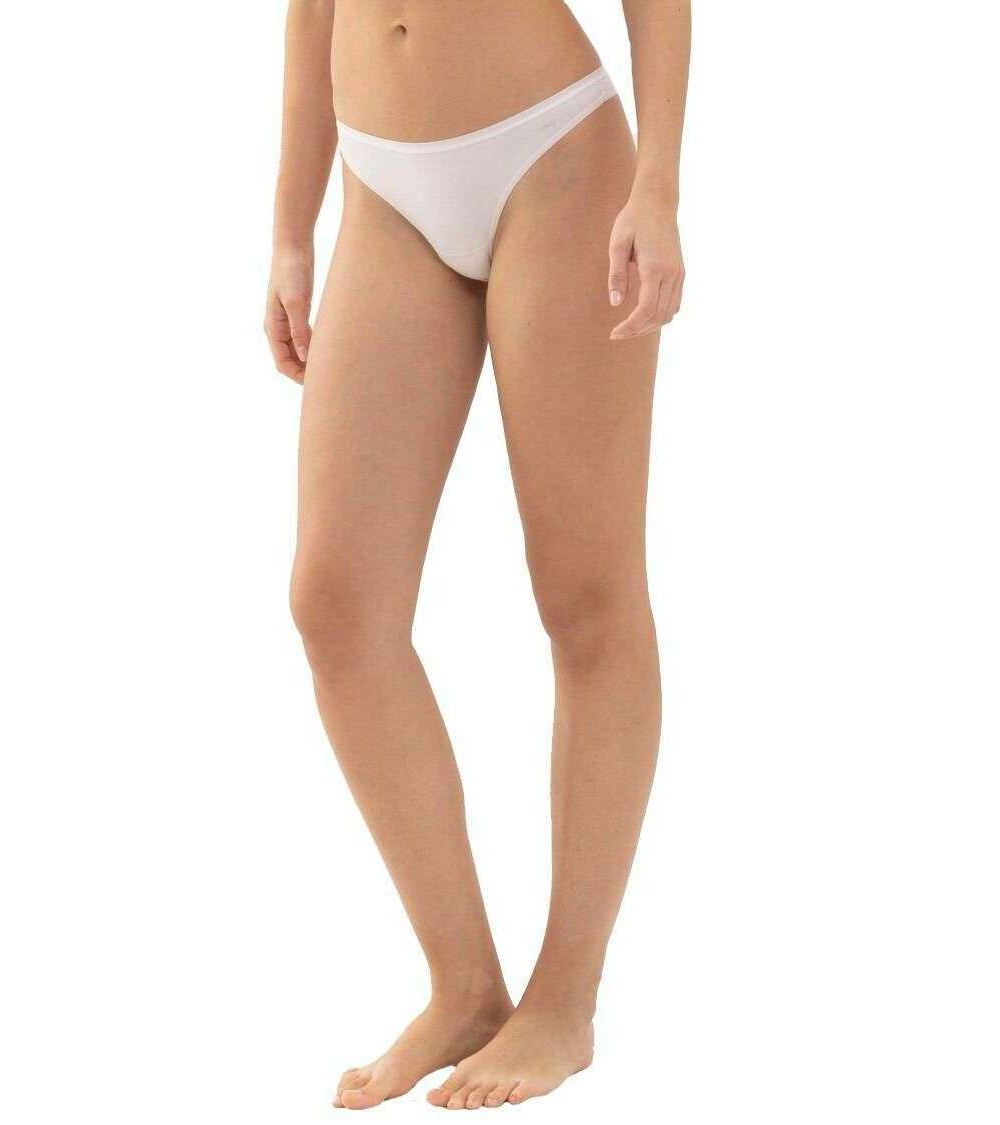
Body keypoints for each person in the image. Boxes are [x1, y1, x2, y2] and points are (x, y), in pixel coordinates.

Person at [264, 0, 690, 1110]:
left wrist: (657, 185)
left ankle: (564, 1000)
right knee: (336, 604)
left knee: (586, 594)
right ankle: (464, 987)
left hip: (550, 155)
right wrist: (291, 225)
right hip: (382, 185)